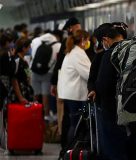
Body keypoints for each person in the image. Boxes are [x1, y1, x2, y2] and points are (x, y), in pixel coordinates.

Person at [87, 22, 136, 160]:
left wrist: (97, 92)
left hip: (112, 112)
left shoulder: (109, 55)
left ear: (106, 40)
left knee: (114, 150)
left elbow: (103, 84)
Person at [50, 17, 81, 154]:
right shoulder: (74, 44)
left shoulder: (68, 43)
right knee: (69, 119)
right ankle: (68, 148)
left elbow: (59, 65)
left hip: (65, 86)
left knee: (66, 118)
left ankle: (66, 148)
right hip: (73, 89)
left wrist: (54, 83)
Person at [57, 30, 91, 149]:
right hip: (75, 95)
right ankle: (71, 149)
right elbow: (88, 74)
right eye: (87, 40)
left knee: (74, 123)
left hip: (72, 94)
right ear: (82, 40)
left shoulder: (74, 52)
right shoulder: (78, 54)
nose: (88, 42)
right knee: (75, 124)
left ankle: (70, 149)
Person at [30, 31, 62, 120]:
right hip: (48, 73)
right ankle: (46, 116)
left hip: (34, 71)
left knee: (35, 94)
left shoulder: (36, 41)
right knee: (45, 95)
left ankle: (34, 114)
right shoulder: (58, 45)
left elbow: (32, 55)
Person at [8, 37, 33, 103]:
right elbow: (14, 79)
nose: (30, 49)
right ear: (23, 48)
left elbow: (28, 76)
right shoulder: (16, 60)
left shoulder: (24, 61)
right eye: (29, 47)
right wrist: (20, 97)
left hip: (25, 90)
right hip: (19, 92)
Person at [0, 33, 15, 107]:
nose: (12, 44)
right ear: (6, 42)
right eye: (11, 42)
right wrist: (12, 57)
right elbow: (10, 70)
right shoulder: (5, 54)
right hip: (4, 81)